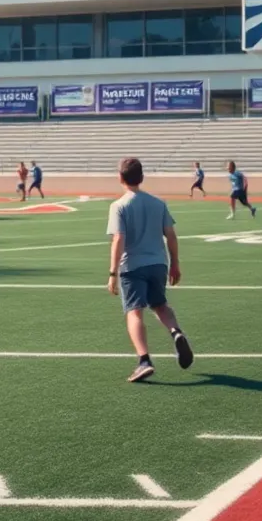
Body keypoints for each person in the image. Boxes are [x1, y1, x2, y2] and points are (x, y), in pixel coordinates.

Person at [106, 157, 193, 383]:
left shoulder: (119, 206)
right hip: (158, 263)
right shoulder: (158, 203)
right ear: (141, 177)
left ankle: (144, 360)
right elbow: (171, 236)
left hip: (132, 265)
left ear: (120, 178)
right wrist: (175, 263)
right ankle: (176, 332)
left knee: (134, 311)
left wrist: (113, 272)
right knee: (160, 305)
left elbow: (119, 239)